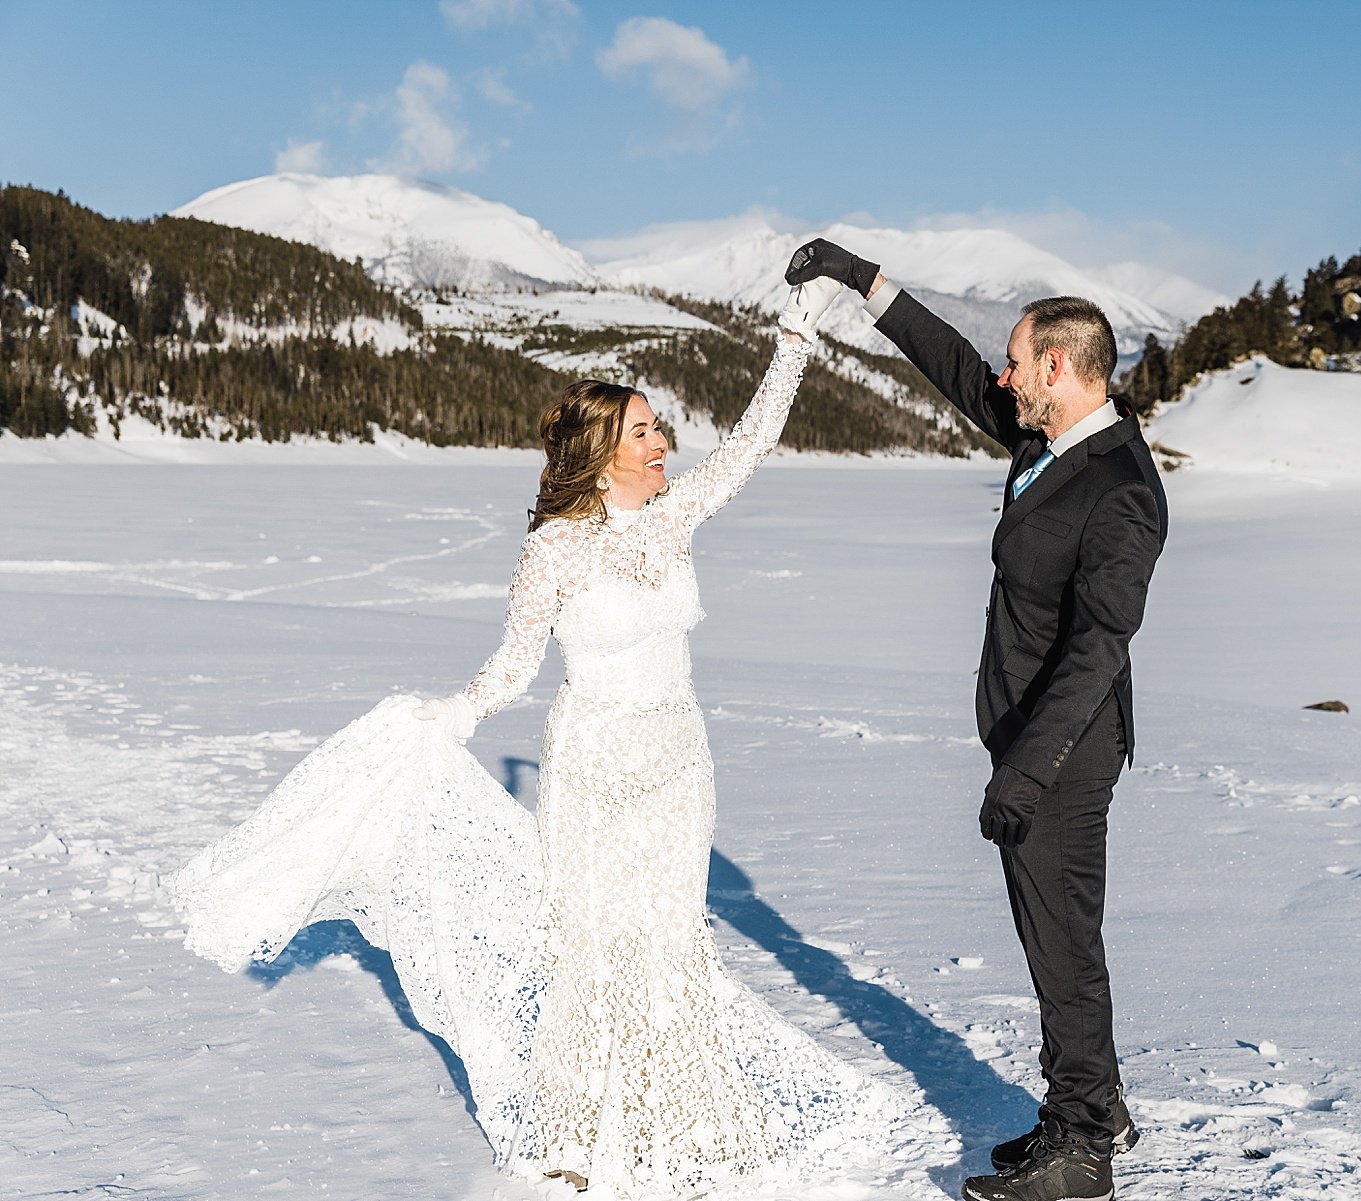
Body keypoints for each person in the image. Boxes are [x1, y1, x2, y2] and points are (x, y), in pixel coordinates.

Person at [172, 276, 918, 1195]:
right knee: (591, 945)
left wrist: (795, 340)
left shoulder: (676, 515)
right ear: (604, 454)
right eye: (645, 430)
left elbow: (753, 442)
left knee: (669, 938)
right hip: (594, 764)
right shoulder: (555, 550)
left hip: (678, 761)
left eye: (659, 427)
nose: (665, 442)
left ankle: (676, 1118)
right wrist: (457, 713)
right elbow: (517, 663)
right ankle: (571, 1133)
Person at [787, 240, 1169, 1201]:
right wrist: (865, 280)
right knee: (1055, 934)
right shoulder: (1048, 437)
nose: (1004, 376)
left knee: (1063, 943)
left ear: (1058, 367)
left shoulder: (1122, 490)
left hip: (1066, 750)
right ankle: (1094, 1103)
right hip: (1028, 739)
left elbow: (1098, 646)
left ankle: (1082, 1148)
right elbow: (957, 368)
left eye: (1017, 360)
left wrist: (1026, 769)